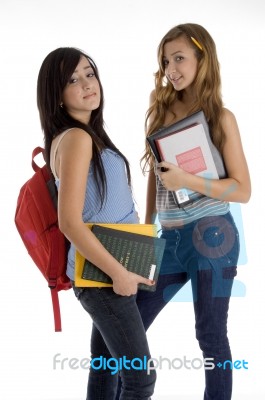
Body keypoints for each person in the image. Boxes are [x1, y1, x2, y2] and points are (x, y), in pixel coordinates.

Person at [137, 23, 251, 400]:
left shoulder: (221, 117)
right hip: (169, 239)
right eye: (166, 60)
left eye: (180, 58)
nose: (172, 68)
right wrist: (143, 233)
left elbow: (243, 190)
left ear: (203, 59)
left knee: (210, 335)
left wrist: (188, 178)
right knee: (130, 324)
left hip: (213, 234)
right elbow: (156, 181)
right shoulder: (160, 113)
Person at [36, 47, 156, 400]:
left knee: (105, 371)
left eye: (90, 73)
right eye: (73, 80)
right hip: (102, 276)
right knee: (140, 379)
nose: (88, 84)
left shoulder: (87, 135)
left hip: (112, 269)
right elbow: (70, 222)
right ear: (56, 95)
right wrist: (118, 273)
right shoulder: (76, 138)